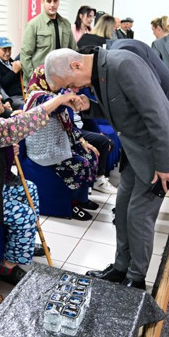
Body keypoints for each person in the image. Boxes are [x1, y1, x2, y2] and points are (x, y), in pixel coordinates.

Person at [44, 48, 169, 289]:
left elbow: (155, 114)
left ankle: (136, 279)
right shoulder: (102, 70)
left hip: (160, 154)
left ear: (76, 65)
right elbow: (120, 107)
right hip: (138, 152)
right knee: (122, 208)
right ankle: (120, 267)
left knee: (139, 214)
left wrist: (167, 163)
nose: (72, 90)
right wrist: (88, 106)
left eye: (70, 84)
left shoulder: (123, 65)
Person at [0, 79, 78, 284]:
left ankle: (24, 240)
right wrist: (58, 100)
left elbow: (3, 134)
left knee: (30, 188)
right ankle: (8, 266)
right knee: (24, 214)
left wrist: (6, 149)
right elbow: (17, 127)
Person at [25, 66, 100, 221]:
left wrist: (81, 140)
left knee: (91, 155)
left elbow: (68, 123)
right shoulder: (36, 97)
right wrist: (67, 98)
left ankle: (81, 199)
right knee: (81, 164)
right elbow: (53, 107)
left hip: (58, 144)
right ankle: (71, 204)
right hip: (44, 149)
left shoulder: (53, 95)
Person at [107, 38, 169, 120]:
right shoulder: (120, 46)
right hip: (168, 92)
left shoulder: (124, 49)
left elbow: (151, 80)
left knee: (168, 132)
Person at [20, 0, 77, 87]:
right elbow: (25, 55)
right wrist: (34, 78)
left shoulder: (65, 24)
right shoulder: (34, 24)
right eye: (49, 1)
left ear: (58, 2)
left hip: (61, 79)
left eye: (55, 1)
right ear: (42, 2)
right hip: (39, 81)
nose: (52, 5)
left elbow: (73, 50)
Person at [0, 37, 24, 109]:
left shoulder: (9, 60)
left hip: (22, 93)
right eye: (4, 49)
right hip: (10, 98)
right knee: (27, 106)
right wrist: (14, 72)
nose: (7, 53)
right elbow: (0, 84)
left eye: (9, 49)